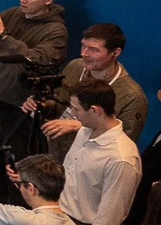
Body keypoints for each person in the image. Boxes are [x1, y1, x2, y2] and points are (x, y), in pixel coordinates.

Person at [0, 0, 71, 205]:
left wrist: (4, 35)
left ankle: (15, 212)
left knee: (16, 169)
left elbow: (36, 60)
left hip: (21, 110)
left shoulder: (56, 31)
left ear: (48, 0)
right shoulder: (14, 14)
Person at [58, 83, 144, 225]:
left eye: (76, 109)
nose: (72, 114)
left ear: (95, 110)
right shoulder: (85, 131)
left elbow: (109, 217)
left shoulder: (122, 159)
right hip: (61, 219)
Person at [42, 24, 151, 163]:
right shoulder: (75, 67)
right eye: (83, 46)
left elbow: (122, 143)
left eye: (93, 50)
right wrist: (45, 105)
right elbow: (60, 103)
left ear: (115, 53)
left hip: (92, 165)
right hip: (56, 155)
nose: (84, 53)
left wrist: (81, 127)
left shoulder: (131, 96)